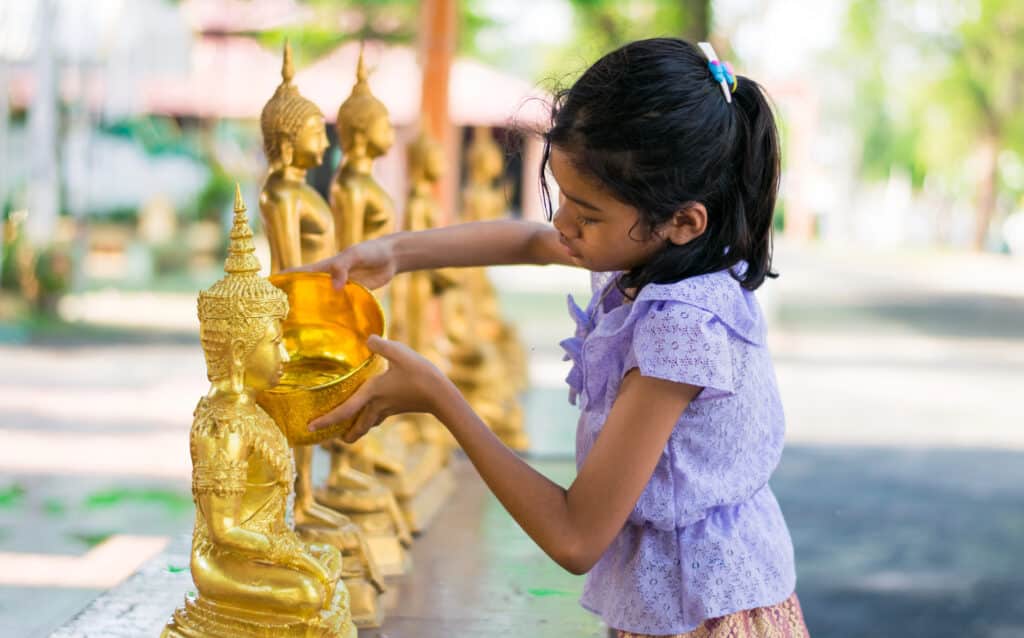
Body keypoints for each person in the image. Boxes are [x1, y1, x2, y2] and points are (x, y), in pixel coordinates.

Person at [296, 38, 809, 638]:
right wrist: (393, 253)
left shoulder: (681, 331)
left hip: (703, 617)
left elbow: (576, 537)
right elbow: (529, 243)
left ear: (681, 220)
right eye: (562, 197)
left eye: (585, 214)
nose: (563, 224)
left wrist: (439, 396)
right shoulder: (669, 254)